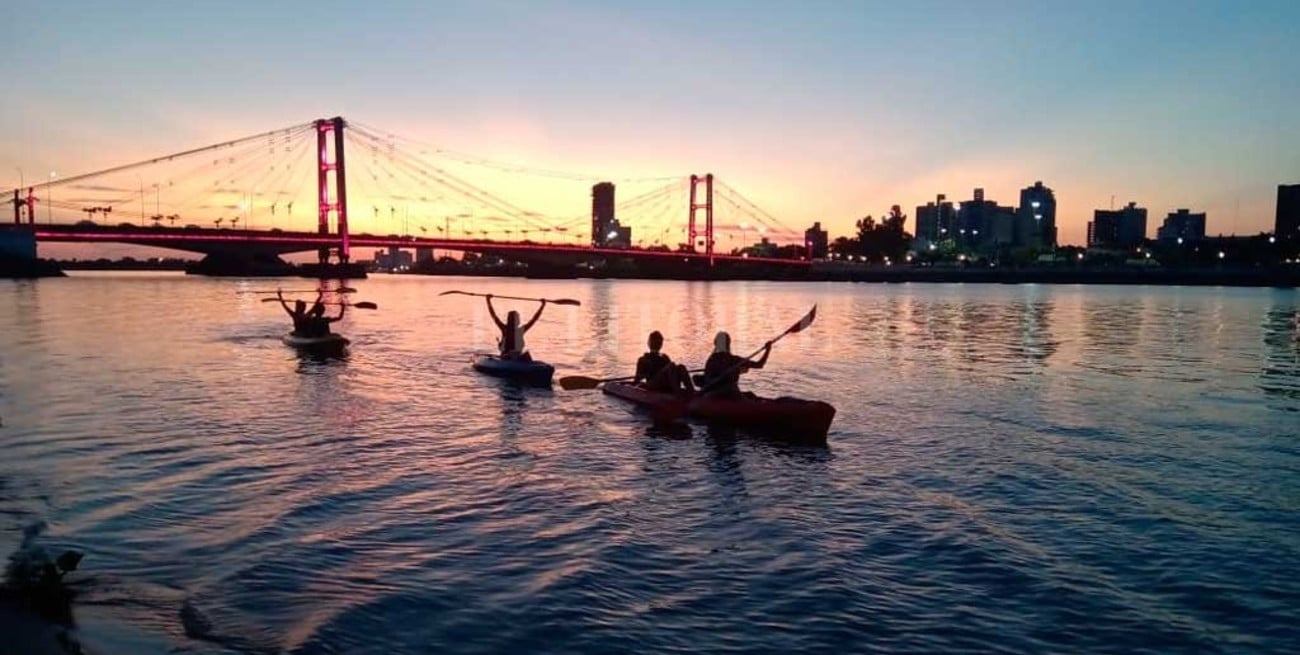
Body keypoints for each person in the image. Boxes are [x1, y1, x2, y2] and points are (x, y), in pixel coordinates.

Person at [697, 331, 771, 398]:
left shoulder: (711, 360)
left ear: (716, 344)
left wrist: (738, 371)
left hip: (713, 392)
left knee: (750, 395)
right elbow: (759, 365)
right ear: (728, 344)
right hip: (729, 394)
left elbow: (719, 373)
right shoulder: (734, 360)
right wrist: (768, 350)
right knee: (751, 396)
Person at [486, 294, 546, 360]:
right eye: (517, 318)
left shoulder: (516, 330)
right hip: (506, 356)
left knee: (526, 354)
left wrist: (542, 306)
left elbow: (534, 319)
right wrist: (488, 301)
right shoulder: (507, 329)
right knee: (511, 355)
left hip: (517, 356)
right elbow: (493, 315)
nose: (518, 320)